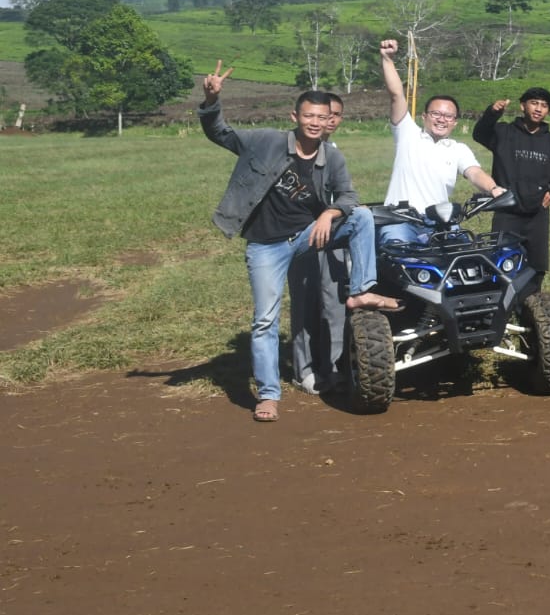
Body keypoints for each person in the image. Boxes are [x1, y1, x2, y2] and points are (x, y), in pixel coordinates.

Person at [199, 62, 397, 423]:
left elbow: (349, 197)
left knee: (363, 217)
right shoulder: (266, 141)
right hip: (266, 246)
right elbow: (220, 133)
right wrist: (212, 100)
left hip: (307, 237)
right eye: (309, 116)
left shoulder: (332, 156)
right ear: (296, 116)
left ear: (330, 121)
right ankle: (269, 395)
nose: (316, 123)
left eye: (323, 118)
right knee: (265, 321)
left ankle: (361, 290)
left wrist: (329, 214)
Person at [378, 38, 502, 246]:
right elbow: (396, 95)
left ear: (455, 122)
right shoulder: (408, 133)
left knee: (468, 256)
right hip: (400, 219)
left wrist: (494, 189)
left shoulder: (457, 149)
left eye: (448, 116)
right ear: (423, 116)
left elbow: (475, 173)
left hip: (441, 220)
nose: (441, 119)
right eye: (436, 113)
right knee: (398, 252)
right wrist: (387, 59)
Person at [288, 92, 348, 396]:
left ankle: (334, 366)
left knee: (334, 302)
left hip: (334, 234)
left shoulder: (333, 151)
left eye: (335, 115)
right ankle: (305, 369)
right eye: (326, 114)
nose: (330, 120)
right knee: (305, 302)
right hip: (300, 236)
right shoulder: (292, 151)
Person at [472, 86, 550, 274]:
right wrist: (492, 113)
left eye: (544, 105)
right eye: (534, 103)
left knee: (537, 266)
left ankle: (533, 302)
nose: (539, 109)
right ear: (523, 106)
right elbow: (479, 134)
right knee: (501, 263)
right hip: (507, 210)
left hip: (537, 212)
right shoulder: (503, 132)